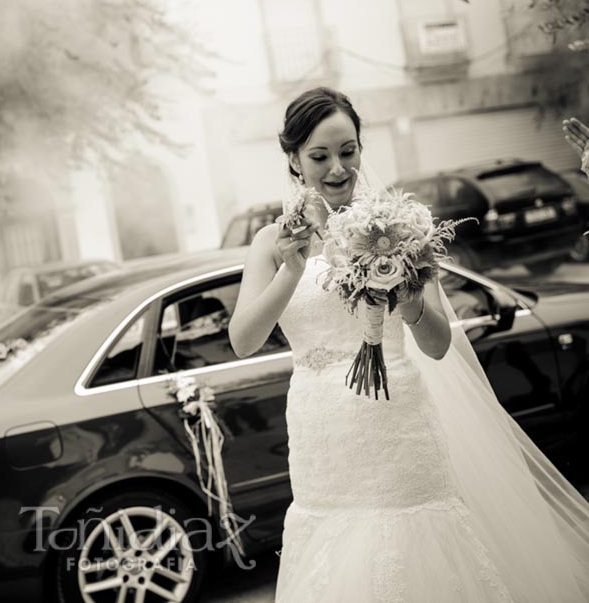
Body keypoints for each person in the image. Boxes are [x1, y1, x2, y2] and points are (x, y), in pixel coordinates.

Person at [229, 87, 589, 602]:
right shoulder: (271, 242)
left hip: (397, 423)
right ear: (293, 159)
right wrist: (290, 271)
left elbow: (439, 344)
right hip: (320, 436)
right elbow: (243, 341)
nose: (337, 169)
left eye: (348, 151)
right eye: (319, 156)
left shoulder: (399, 226)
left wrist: (407, 294)